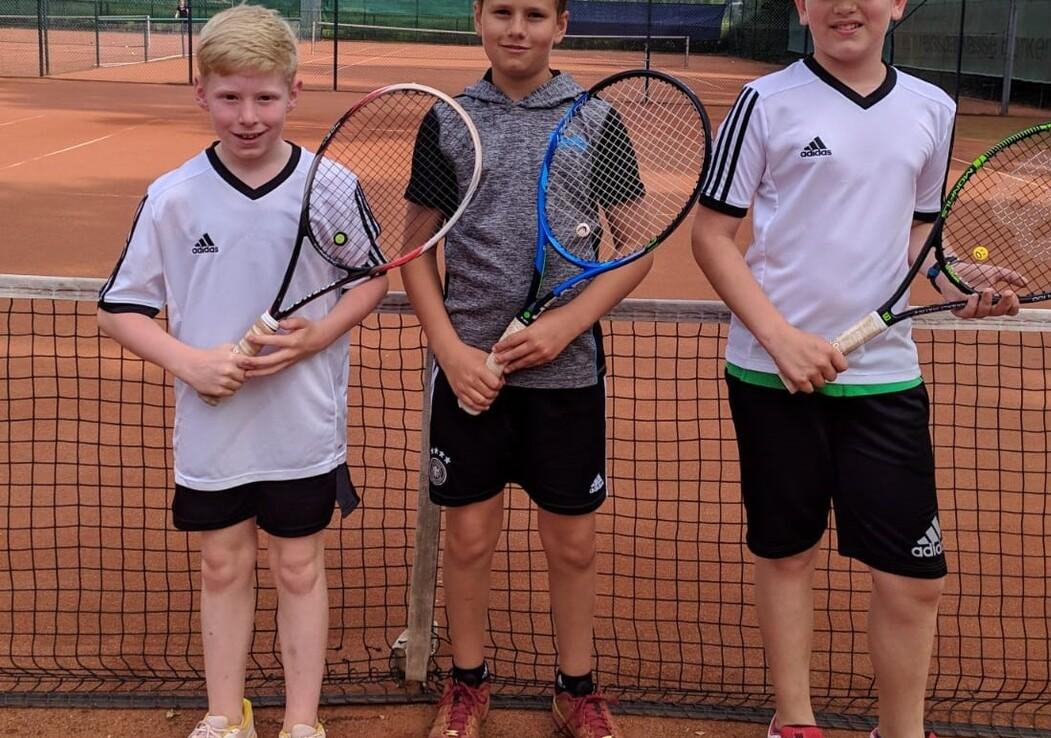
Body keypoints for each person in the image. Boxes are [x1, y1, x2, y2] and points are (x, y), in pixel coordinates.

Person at [690, 2, 1021, 738]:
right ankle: (795, 721)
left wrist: (954, 282)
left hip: (885, 376)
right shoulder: (763, 102)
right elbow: (711, 236)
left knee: (913, 580)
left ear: (897, 2)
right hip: (771, 377)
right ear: (801, 7)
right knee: (786, 554)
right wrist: (779, 340)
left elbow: (918, 239)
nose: (846, 4)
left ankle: (900, 730)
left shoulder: (930, 109)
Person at [97, 5, 386, 737]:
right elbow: (120, 310)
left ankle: (301, 721)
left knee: (298, 569)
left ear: (293, 93)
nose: (248, 115)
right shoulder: (173, 196)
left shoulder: (330, 186)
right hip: (213, 429)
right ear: (201, 94)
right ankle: (225, 715)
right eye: (230, 96)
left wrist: (319, 333)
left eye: (265, 97)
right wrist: (189, 361)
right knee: (222, 567)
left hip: (301, 426)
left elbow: (371, 279)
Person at [400, 1, 651, 736]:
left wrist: (566, 325)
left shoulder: (593, 119)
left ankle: (575, 688)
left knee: (572, 543)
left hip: (564, 375)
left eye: (534, 13)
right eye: (501, 10)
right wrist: (450, 351)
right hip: (469, 374)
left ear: (561, 25)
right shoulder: (448, 119)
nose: (517, 27)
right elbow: (415, 250)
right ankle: (467, 682)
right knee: (469, 539)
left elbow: (631, 245)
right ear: (477, 18)